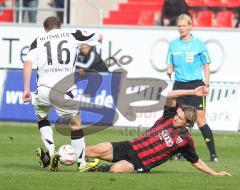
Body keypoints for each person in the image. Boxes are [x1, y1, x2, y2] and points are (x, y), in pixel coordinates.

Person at [84, 86, 230, 175]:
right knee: (91, 150)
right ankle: (65, 155)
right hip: (129, 146)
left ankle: (100, 169)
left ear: (187, 123)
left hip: (140, 163)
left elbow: (196, 161)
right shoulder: (169, 115)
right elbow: (170, 95)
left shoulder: (185, 141)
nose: (176, 118)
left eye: (180, 118)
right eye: (177, 114)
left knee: (117, 169)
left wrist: (215, 173)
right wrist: (193, 92)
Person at [22, 16, 103, 172]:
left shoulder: (38, 40)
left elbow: (27, 64)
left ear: (46, 29)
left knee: (42, 117)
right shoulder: (72, 35)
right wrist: (97, 38)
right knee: (75, 123)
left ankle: (52, 152)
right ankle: (81, 164)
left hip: (42, 91)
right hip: (63, 91)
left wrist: (26, 89)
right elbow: (99, 37)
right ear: (60, 26)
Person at [166, 14, 218, 162]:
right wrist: (169, 70)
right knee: (178, 119)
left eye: (184, 25)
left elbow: (206, 66)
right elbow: (170, 63)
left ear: (190, 26)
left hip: (196, 85)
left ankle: (213, 154)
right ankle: (177, 152)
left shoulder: (199, 44)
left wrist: (206, 84)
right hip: (180, 85)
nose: (181, 28)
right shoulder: (173, 44)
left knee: (200, 120)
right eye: (179, 26)